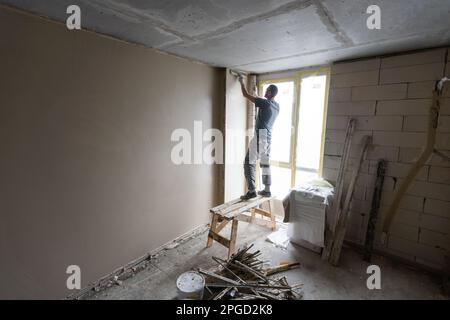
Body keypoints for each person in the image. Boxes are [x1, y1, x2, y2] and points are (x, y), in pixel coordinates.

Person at [239, 77, 279, 200]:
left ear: (270, 93)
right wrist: (255, 92)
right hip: (268, 139)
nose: (265, 92)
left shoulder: (265, 103)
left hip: (260, 137)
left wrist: (241, 81)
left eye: (267, 90)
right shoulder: (276, 106)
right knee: (265, 164)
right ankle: (267, 190)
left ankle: (252, 191)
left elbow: (245, 94)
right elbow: (259, 100)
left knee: (248, 162)